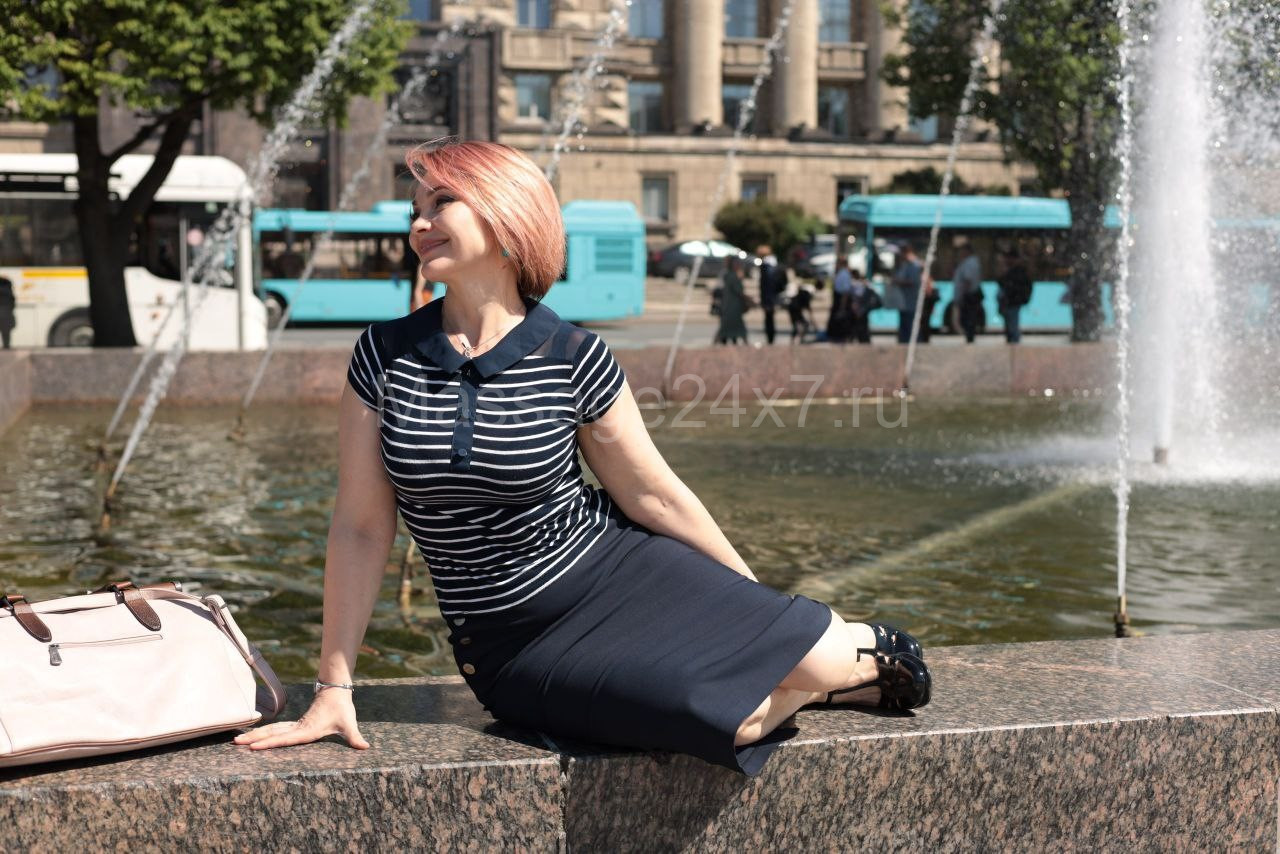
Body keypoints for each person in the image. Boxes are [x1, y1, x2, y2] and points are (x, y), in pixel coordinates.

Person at [232, 140, 930, 777]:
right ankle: (832, 682)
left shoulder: (574, 354)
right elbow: (360, 527)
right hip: (509, 645)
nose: (419, 223)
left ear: (506, 215)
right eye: (416, 209)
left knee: (812, 656)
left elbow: (653, 495)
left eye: (441, 202)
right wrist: (334, 687)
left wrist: (754, 611)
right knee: (729, 719)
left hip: (617, 570)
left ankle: (851, 657)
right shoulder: (383, 355)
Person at [997, 249, 1033, 344]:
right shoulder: (1010, 270)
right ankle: (1012, 341)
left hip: (1014, 301)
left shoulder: (1019, 271)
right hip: (1009, 301)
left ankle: (1014, 343)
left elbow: (1014, 285)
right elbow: (1001, 282)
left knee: (1012, 325)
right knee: (1009, 325)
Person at [891, 244, 924, 344]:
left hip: (911, 303)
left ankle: (916, 345)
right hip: (904, 303)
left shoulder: (914, 265)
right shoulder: (905, 265)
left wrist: (898, 282)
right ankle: (904, 345)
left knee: (911, 327)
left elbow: (913, 281)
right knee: (905, 328)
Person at [952, 243, 983, 344]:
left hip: (969, 295)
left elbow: (967, 280)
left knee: (968, 317)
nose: (960, 253)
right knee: (969, 317)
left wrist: (962, 294)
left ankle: (970, 337)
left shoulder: (970, 263)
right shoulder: (971, 262)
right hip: (970, 294)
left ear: (967, 251)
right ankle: (969, 336)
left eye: (962, 251)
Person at [714, 256, 750, 345]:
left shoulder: (728, 275)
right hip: (732, 305)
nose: (738, 265)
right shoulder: (732, 276)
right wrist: (749, 299)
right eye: (736, 263)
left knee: (729, 326)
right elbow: (739, 291)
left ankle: (717, 343)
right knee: (730, 325)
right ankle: (746, 344)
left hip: (729, 304)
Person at [755, 244, 786, 345]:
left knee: (769, 319)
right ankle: (771, 338)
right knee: (770, 318)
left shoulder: (766, 266)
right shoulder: (774, 263)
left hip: (769, 297)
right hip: (774, 295)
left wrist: (766, 300)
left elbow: (766, 285)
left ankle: (770, 339)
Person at [848, 268, 882, 344]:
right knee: (862, 330)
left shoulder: (855, 284)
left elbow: (856, 298)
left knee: (858, 329)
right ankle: (864, 342)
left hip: (860, 310)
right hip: (864, 310)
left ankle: (860, 342)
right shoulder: (866, 284)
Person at [827, 257, 855, 343]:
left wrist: (842, 308)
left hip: (841, 303)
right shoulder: (841, 273)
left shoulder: (844, 274)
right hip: (838, 302)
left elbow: (845, 293)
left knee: (840, 327)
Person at [0, 276, 15, 349]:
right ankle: (6, 345)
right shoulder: (9, 291)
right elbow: (13, 303)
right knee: (6, 331)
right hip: (7, 313)